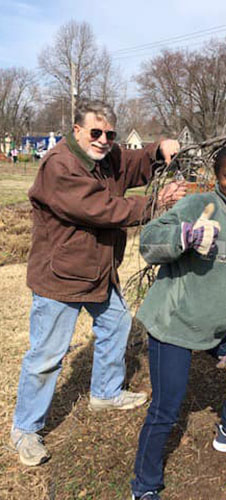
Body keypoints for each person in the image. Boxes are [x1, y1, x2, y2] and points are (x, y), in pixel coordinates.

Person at [10, 99, 187, 467]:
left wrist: (159, 149)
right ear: (76, 130)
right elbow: (102, 209)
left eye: (110, 133)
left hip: (98, 272)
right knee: (46, 357)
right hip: (60, 276)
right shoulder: (60, 166)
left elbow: (135, 162)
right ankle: (25, 429)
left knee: (117, 322)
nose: (104, 140)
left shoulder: (107, 157)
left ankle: (105, 392)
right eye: (96, 132)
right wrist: (156, 204)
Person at [130, 143, 226, 500]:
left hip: (217, 328)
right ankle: (144, 486)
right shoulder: (199, 205)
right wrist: (185, 236)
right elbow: (148, 243)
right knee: (167, 406)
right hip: (173, 322)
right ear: (217, 177)